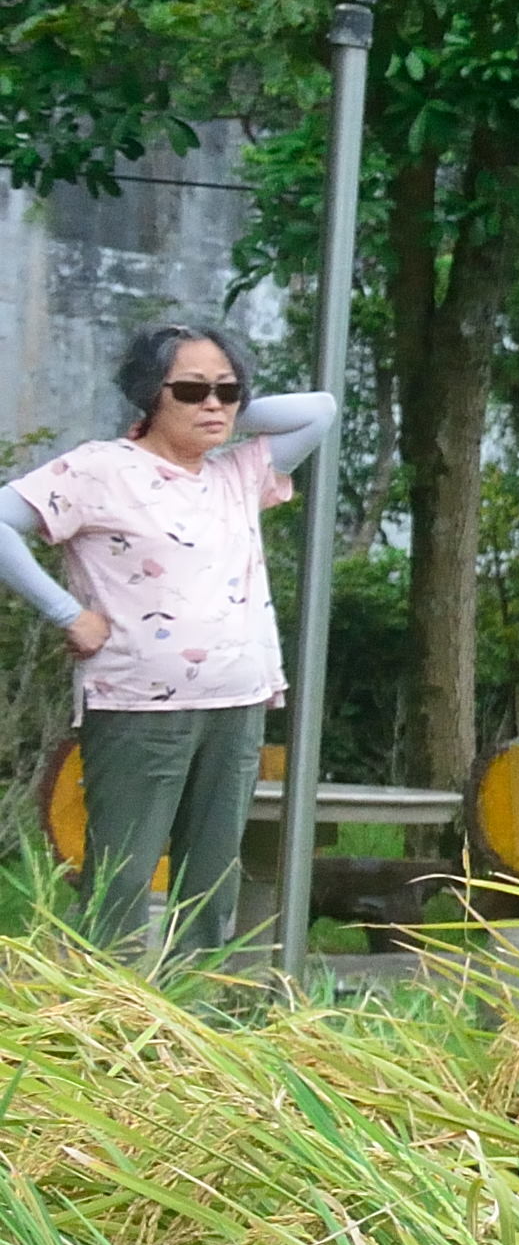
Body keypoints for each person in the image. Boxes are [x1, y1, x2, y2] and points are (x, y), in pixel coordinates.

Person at [7, 317, 333, 956]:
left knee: (211, 880)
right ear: (148, 395)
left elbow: (318, 411)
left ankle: (199, 1023)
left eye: (227, 389)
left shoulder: (237, 471)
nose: (212, 404)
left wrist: (227, 407)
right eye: (188, 391)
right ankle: (106, 1027)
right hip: (138, 705)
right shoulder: (101, 468)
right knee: (122, 877)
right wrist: (66, 613)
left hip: (237, 704)